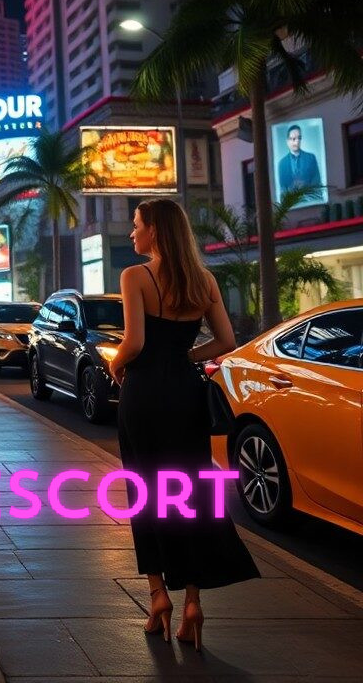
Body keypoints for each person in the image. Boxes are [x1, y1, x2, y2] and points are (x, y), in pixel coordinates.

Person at [107, 198, 259, 651]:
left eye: (137, 225)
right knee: (189, 493)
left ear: (154, 230)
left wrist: (117, 363)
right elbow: (226, 341)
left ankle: (158, 598)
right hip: (186, 395)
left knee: (145, 492)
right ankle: (192, 601)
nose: (132, 233)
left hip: (144, 395)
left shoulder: (136, 276)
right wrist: (183, 357)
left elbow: (133, 342)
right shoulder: (204, 279)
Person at [277, 124, 321, 196]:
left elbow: (317, 182)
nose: (297, 142)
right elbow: (283, 188)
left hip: (310, 199)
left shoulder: (311, 158)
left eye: (299, 138)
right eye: (293, 139)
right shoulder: (282, 163)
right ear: (287, 141)